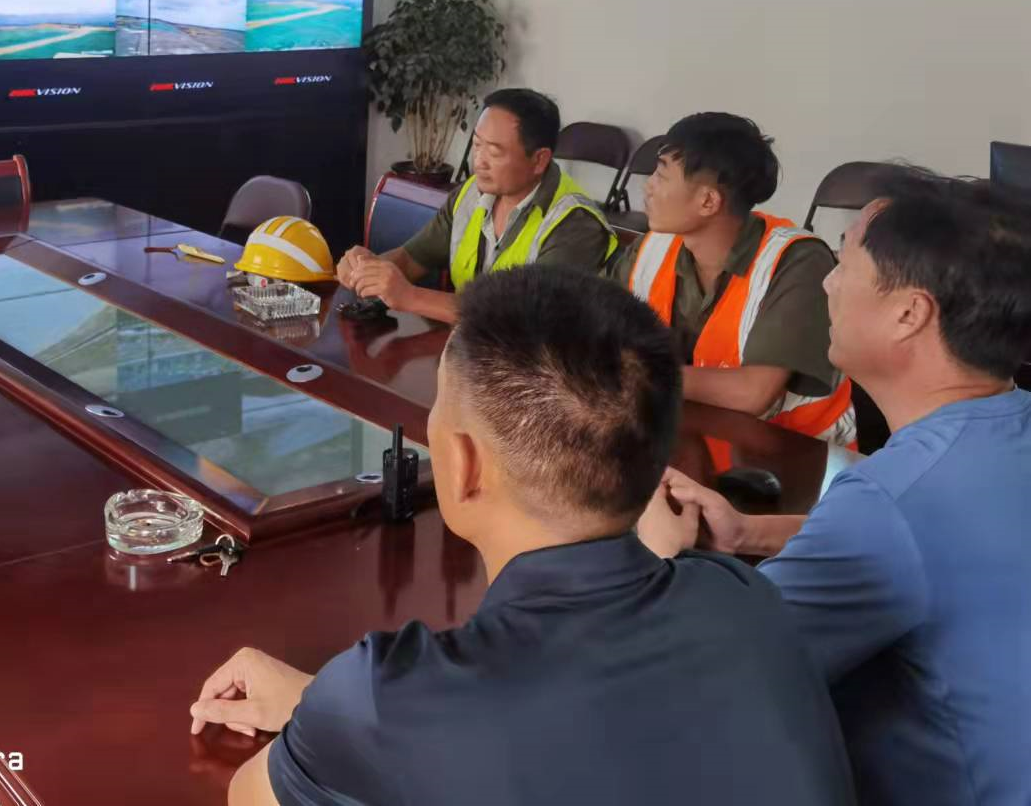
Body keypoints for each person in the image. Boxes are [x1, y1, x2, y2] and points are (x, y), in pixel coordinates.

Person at [192, 265, 854, 806]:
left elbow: (250, 794)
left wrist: (337, 713)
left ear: (462, 464)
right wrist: (342, 712)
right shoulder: (743, 597)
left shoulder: (389, 694)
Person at [641, 171, 1031, 806]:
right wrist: (750, 533)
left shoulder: (888, 500)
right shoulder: (997, 433)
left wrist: (661, 557)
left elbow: (704, 670)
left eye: (845, 262)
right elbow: (943, 544)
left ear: (909, 313)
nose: (827, 282)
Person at [613, 113, 855, 444]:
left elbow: (753, 393)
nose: (648, 186)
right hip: (697, 436)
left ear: (708, 201)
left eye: (661, 174)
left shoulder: (797, 261)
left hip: (794, 452)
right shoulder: (653, 247)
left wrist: (637, 374)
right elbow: (595, 322)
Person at [336, 89, 614, 322]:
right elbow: (412, 259)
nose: (479, 161)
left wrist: (411, 297)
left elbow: (522, 320)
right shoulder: (470, 194)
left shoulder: (575, 224)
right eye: (477, 146)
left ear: (539, 160)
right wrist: (367, 270)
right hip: (467, 349)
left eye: (494, 152)